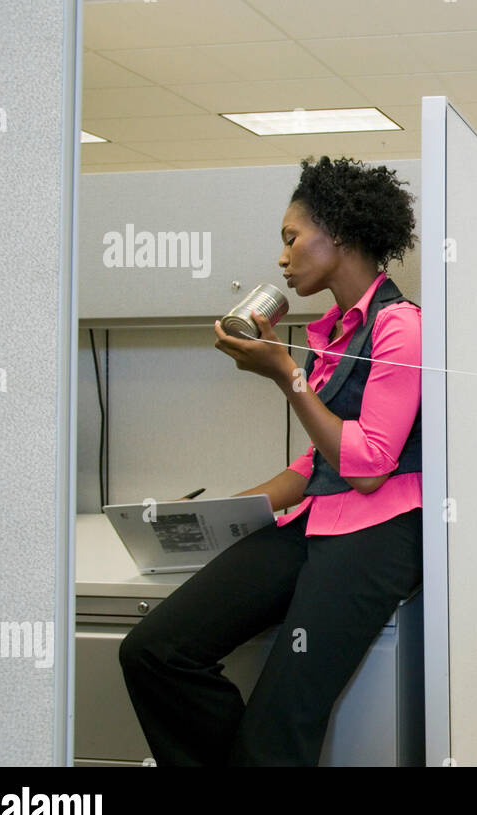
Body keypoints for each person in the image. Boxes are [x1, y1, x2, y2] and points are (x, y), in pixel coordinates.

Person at [119, 156, 423, 764]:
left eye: (291, 238)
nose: (282, 259)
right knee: (154, 651)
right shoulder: (332, 334)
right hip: (315, 521)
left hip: (380, 533)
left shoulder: (402, 327)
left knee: (279, 725)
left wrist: (287, 376)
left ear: (336, 232)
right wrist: (227, 510)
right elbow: (317, 464)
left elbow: (366, 468)